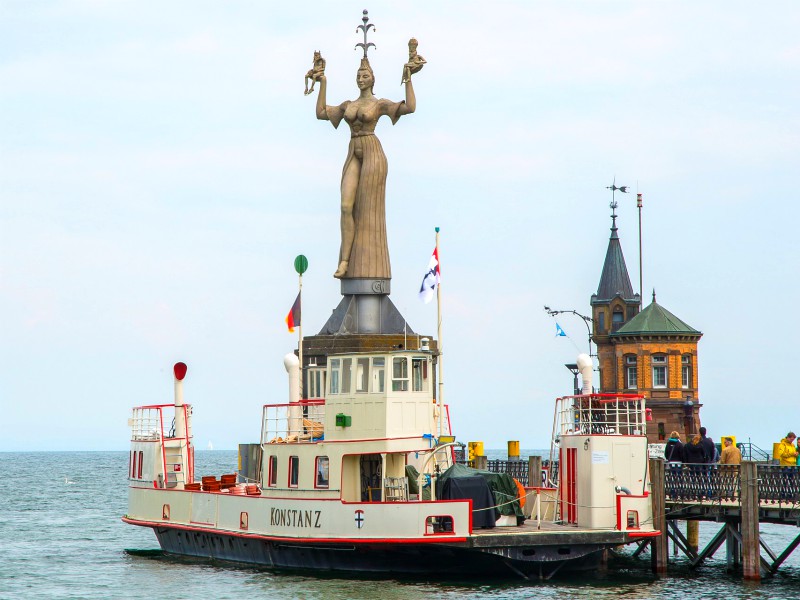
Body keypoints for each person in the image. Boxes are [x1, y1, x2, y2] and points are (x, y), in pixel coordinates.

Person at [314, 53, 418, 279]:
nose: (361, 79)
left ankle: (364, 263)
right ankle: (345, 261)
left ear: (372, 79)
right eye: (358, 76)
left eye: (365, 75)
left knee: (368, 209)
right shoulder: (348, 105)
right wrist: (323, 82)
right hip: (354, 149)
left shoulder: (378, 104)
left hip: (372, 152)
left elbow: (410, 107)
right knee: (345, 206)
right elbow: (321, 113)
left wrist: (408, 77)